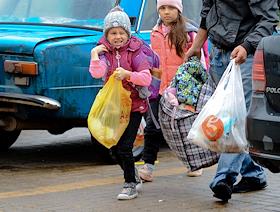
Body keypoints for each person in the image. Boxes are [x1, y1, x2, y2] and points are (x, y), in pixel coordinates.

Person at [185, 0, 279, 202]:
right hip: (218, 51)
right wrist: (196, 45)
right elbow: (208, 10)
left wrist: (246, 46)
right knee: (225, 113)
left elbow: (269, 18)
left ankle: (224, 178)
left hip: (247, 54)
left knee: (235, 116)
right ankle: (253, 174)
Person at [139, 0, 209, 182]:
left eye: (170, 8)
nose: (166, 12)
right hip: (158, 88)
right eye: (162, 8)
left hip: (181, 89)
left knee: (185, 127)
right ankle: (148, 166)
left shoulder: (190, 33)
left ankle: (194, 164)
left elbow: (200, 62)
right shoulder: (155, 33)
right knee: (152, 127)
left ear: (178, 10)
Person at [88, 6, 152, 200]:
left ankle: (130, 184)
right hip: (115, 107)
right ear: (106, 35)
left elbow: (146, 78)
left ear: (128, 33)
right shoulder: (104, 52)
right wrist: (94, 54)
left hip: (134, 106)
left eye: (121, 32)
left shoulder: (136, 51)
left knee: (124, 146)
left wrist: (128, 75)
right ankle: (133, 175)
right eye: (112, 33)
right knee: (112, 145)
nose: (117, 37)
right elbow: (97, 73)